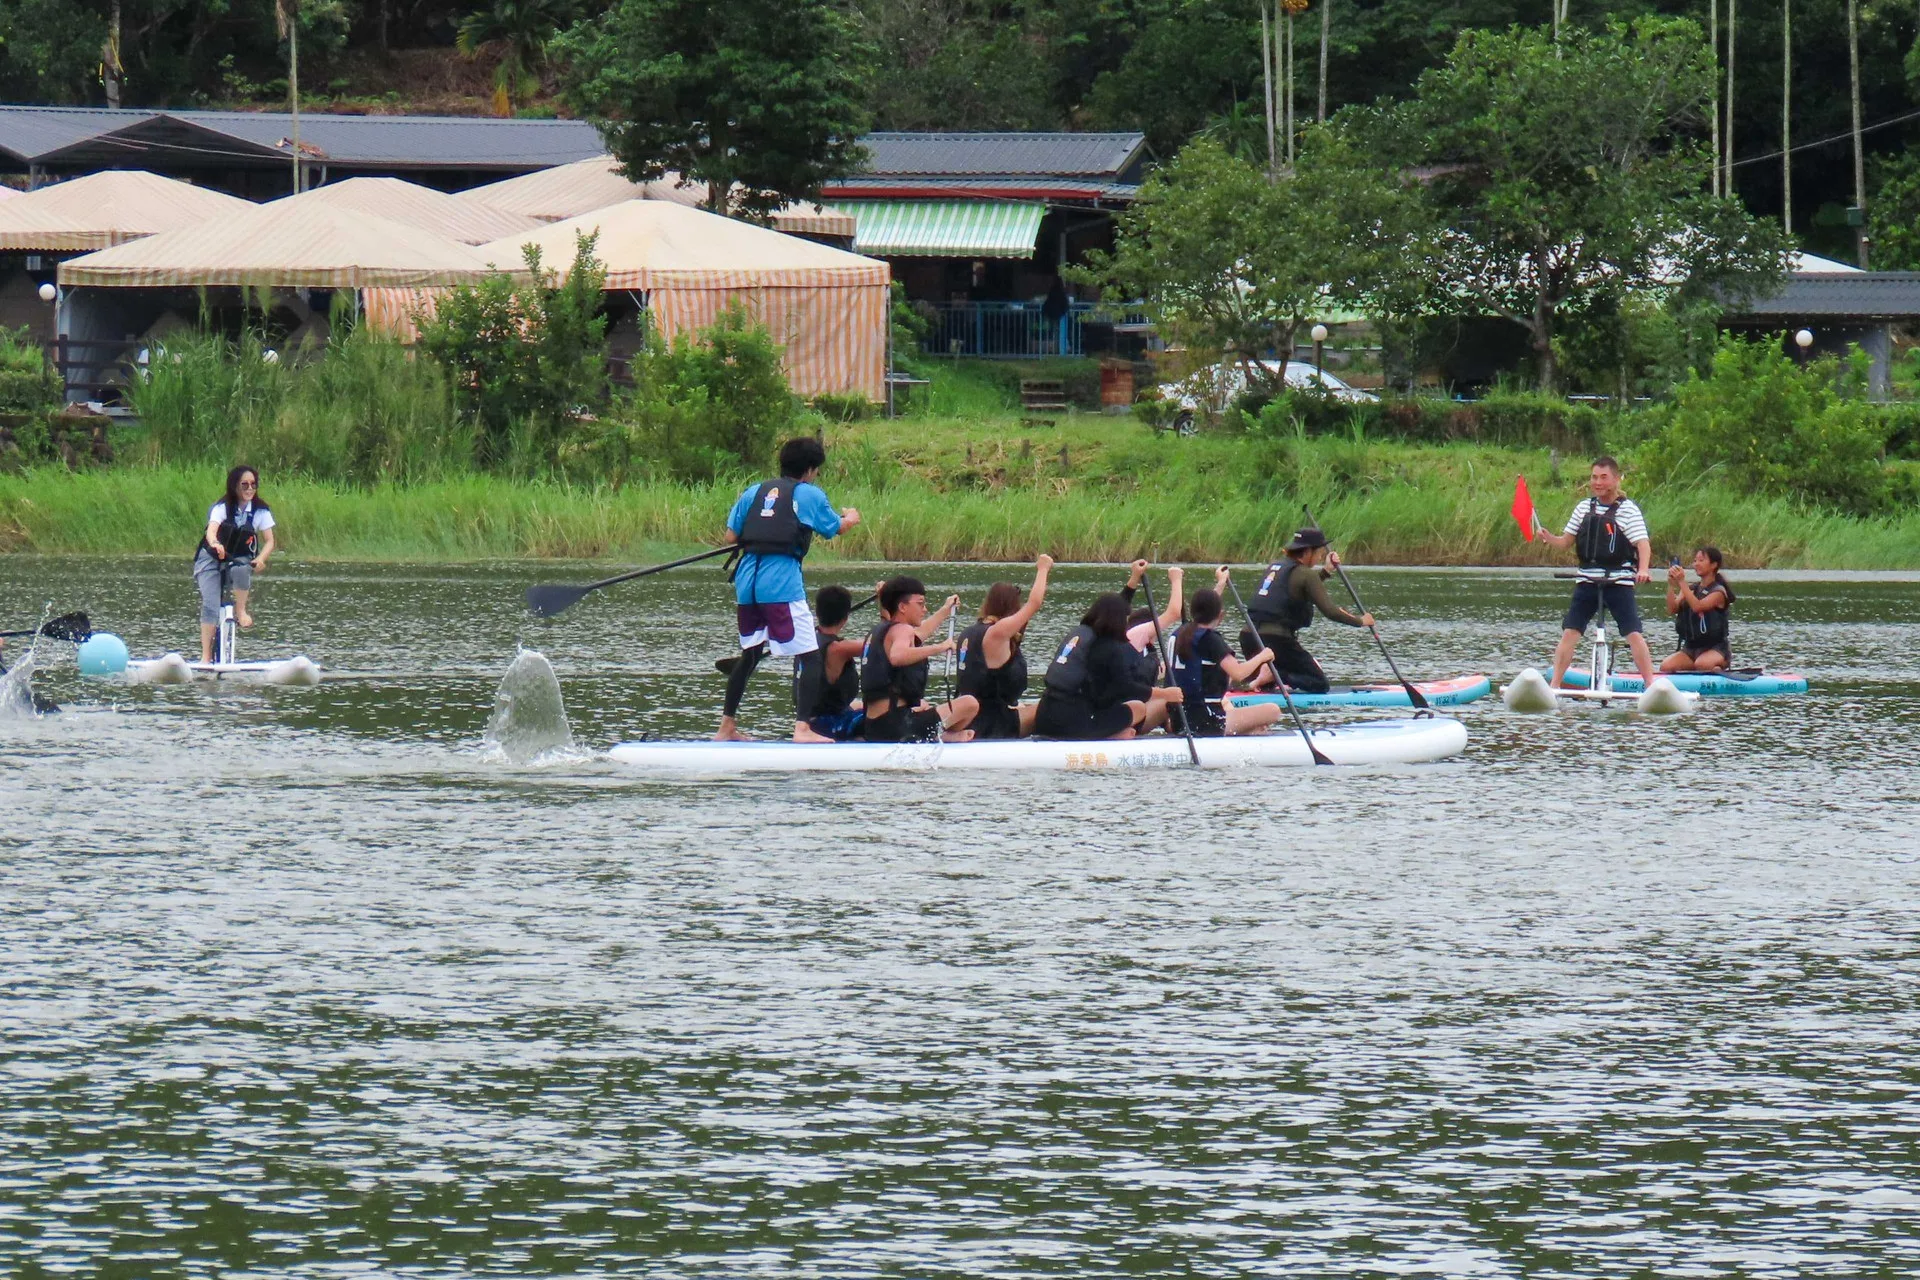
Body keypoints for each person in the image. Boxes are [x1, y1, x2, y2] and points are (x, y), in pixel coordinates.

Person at [716, 437, 861, 743]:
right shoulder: (809, 494)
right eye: (816, 471)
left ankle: (726, 727)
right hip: (780, 582)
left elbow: (731, 536)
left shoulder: (754, 491)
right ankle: (802, 729)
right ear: (810, 470)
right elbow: (834, 528)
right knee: (810, 656)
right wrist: (851, 518)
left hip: (747, 582)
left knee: (750, 655)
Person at [1533, 456, 1655, 688]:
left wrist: (1643, 570)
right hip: (1588, 580)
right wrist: (1549, 538)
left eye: (1603, 477)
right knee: (1570, 631)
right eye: (1594, 477)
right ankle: (1554, 686)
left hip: (1618, 581)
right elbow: (1565, 542)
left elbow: (1643, 544)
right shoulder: (1583, 508)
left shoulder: (1628, 510)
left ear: (1616, 479)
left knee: (1633, 633)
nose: (1597, 482)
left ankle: (1650, 685)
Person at [1238, 527, 1372, 694]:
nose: (1321, 556)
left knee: (1267, 688)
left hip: (1249, 638)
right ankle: (1274, 675)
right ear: (1308, 552)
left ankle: (1266, 678)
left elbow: (1296, 589)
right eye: (1319, 552)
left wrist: (1326, 570)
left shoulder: (1275, 566)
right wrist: (1361, 621)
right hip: (1275, 641)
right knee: (1319, 683)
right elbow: (1330, 611)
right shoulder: (1305, 574)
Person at [1033, 592, 1184, 740]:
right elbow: (1126, 688)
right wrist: (1164, 694)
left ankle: (1110, 733)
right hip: (1074, 723)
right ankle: (1111, 736)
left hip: (1044, 714)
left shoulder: (1079, 635)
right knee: (1138, 708)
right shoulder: (1109, 648)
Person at [859, 576, 978, 743]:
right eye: (920, 604)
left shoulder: (883, 630)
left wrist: (945, 610)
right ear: (902, 607)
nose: (925, 609)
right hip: (897, 727)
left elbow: (920, 634)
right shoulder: (902, 630)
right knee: (970, 704)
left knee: (924, 704)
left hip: (874, 726)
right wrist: (940, 647)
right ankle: (944, 736)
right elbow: (897, 656)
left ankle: (937, 734)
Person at [955, 554, 1053, 739]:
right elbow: (1035, 603)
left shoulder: (969, 632)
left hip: (972, 719)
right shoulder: (997, 633)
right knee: (1054, 707)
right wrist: (1043, 569)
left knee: (1025, 707)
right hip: (992, 725)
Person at [1170, 582, 1285, 736]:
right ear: (1221, 615)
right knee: (1273, 710)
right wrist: (1263, 656)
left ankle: (1249, 730)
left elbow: (1207, 605)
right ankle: (1248, 731)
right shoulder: (1210, 639)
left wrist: (1220, 582)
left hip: (1179, 718)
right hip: (1205, 720)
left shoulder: (1181, 633)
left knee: (1226, 700)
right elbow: (1238, 673)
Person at [194, 465, 275, 664]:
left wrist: (261, 558)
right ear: (235, 486)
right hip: (211, 558)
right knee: (211, 605)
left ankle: (240, 610)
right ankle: (206, 657)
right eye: (244, 485)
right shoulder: (222, 508)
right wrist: (215, 544)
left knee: (242, 569)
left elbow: (270, 541)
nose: (249, 489)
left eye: (253, 485)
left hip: (238, 558)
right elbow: (211, 531)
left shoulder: (261, 511)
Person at [798, 585, 871, 741]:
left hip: (815, 717)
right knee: (883, 714)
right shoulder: (838, 648)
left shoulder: (806, 641)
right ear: (845, 619)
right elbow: (881, 644)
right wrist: (885, 604)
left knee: (860, 704)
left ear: (817, 613)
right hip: (828, 725)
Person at [1662, 546, 1735, 673]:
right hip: (1691, 647)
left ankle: (1720, 665)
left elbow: (1697, 607)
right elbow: (1672, 609)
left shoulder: (1718, 592)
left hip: (1715, 647)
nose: (1696, 564)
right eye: (1695, 561)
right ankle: (1695, 668)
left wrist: (1682, 582)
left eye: (1701, 560)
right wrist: (1671, 585)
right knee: (1666, 667)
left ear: (1713, 565)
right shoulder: (1691, 589)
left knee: (1702, 664)